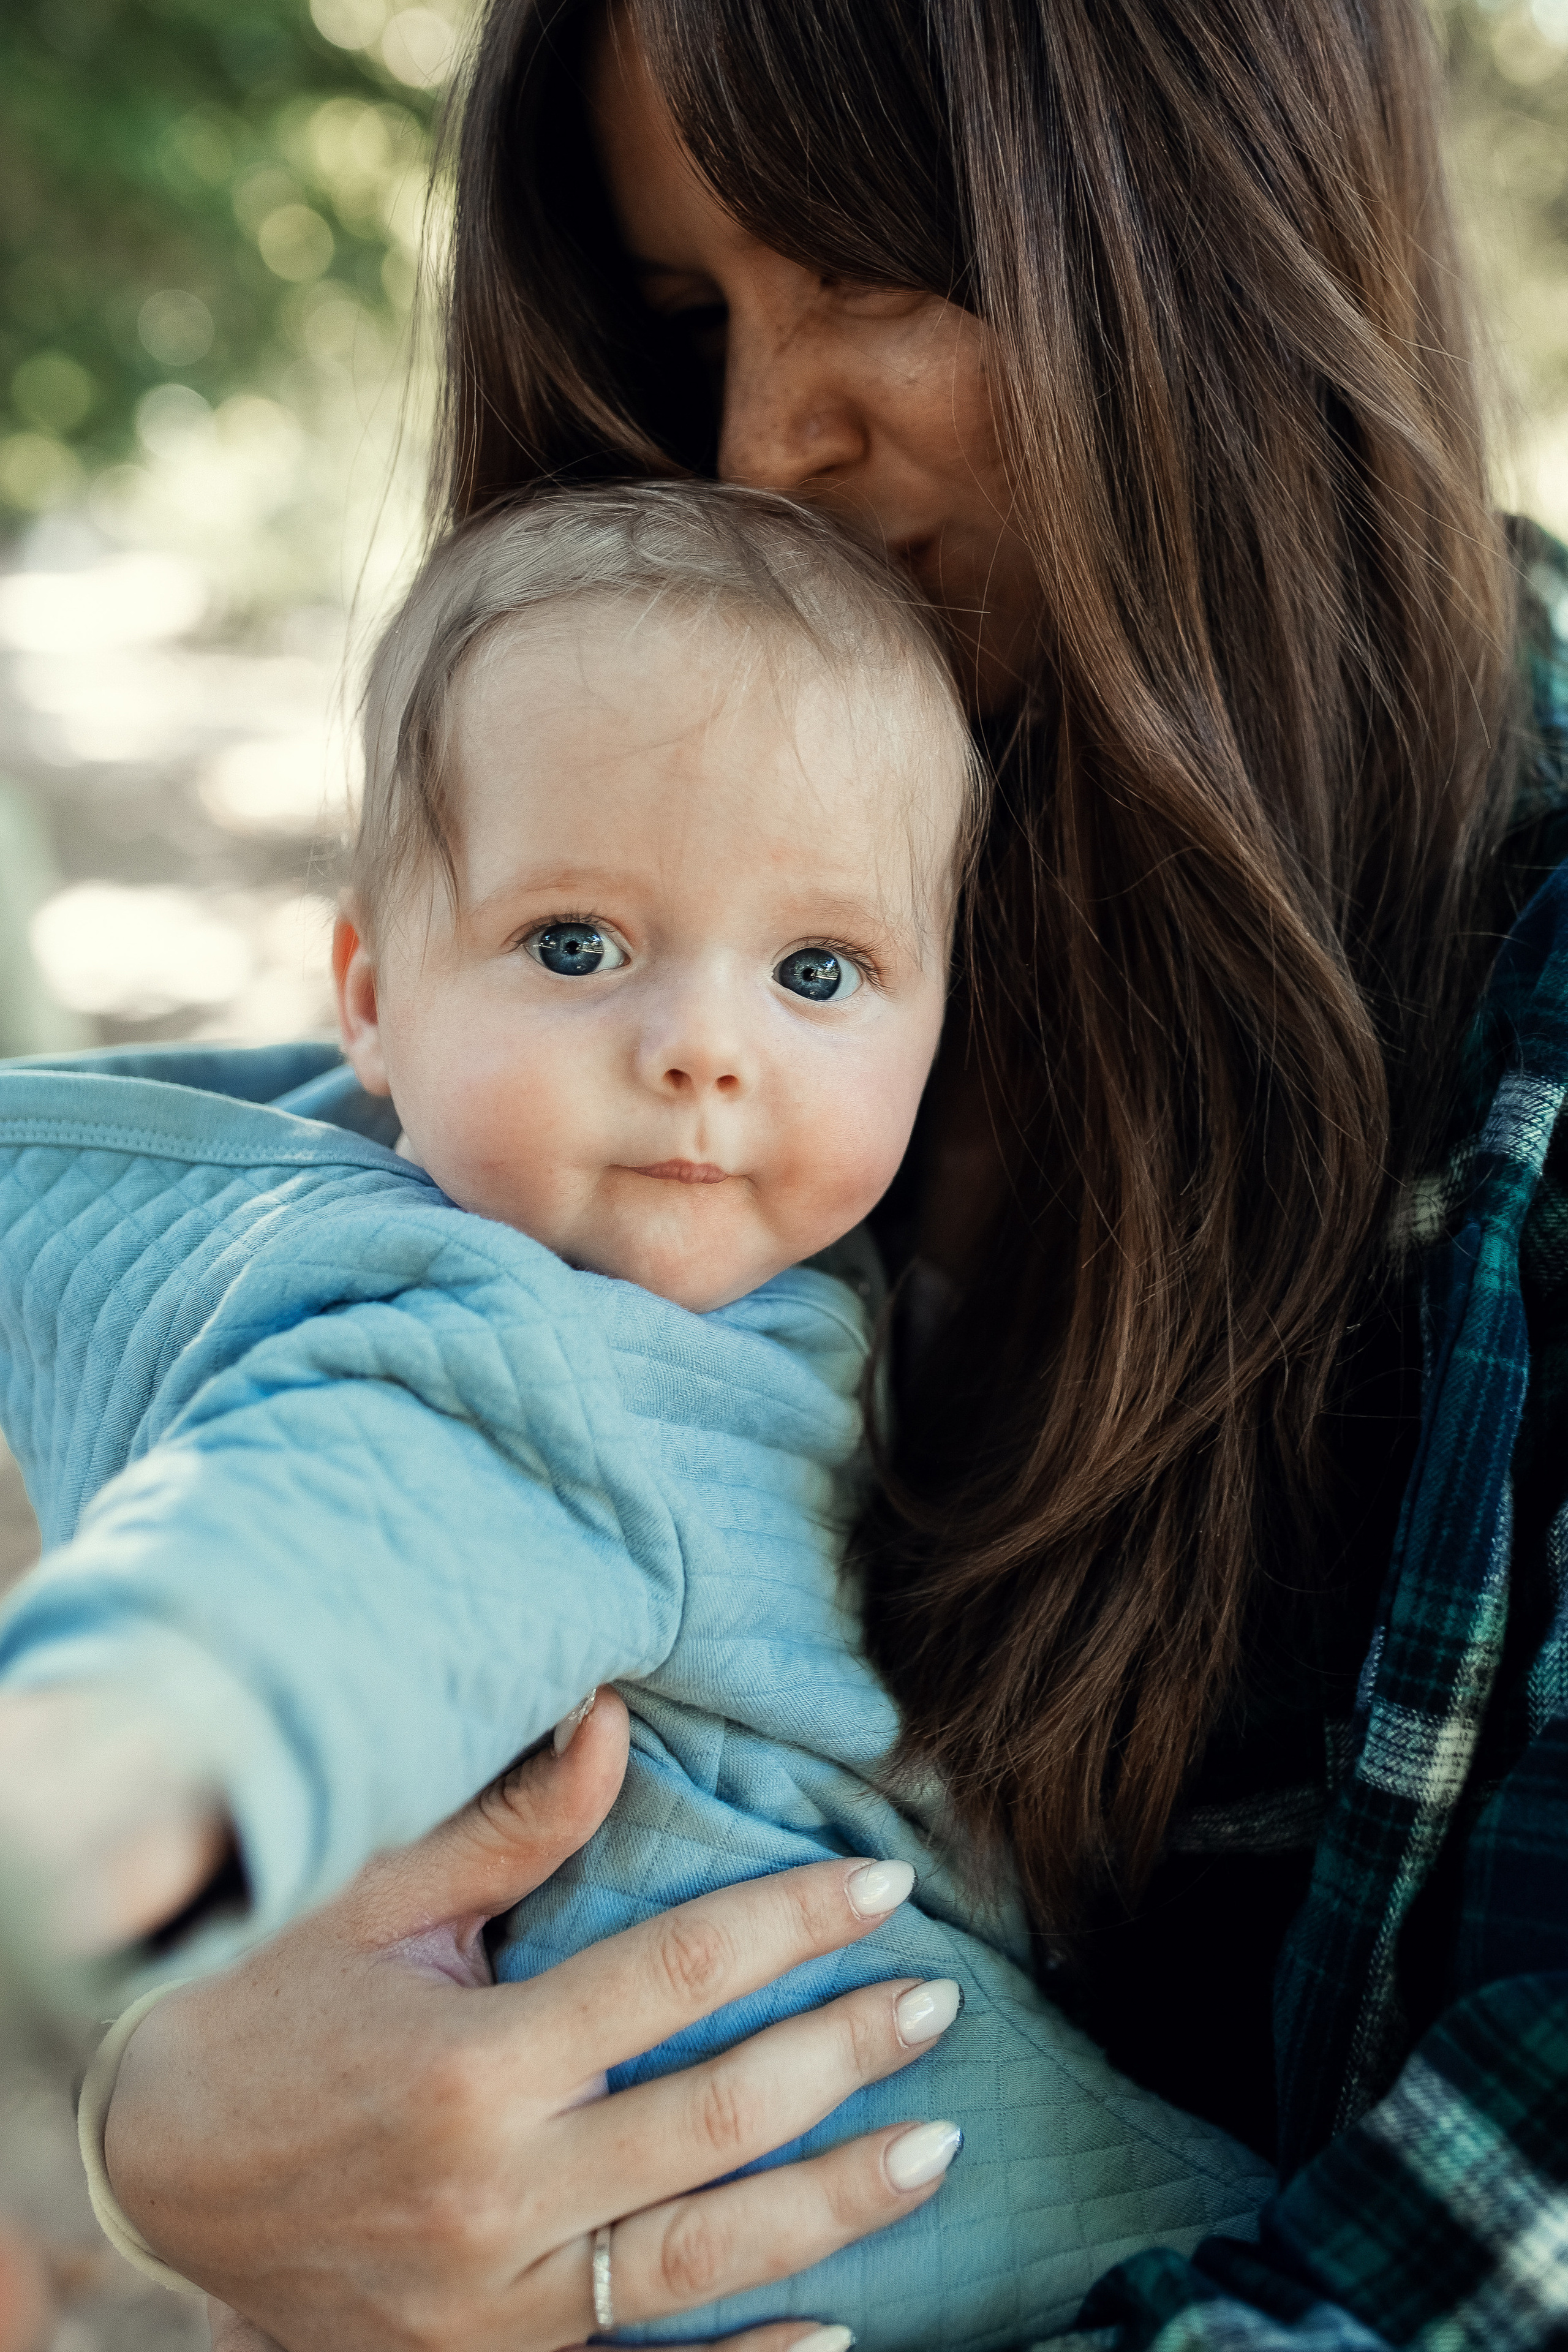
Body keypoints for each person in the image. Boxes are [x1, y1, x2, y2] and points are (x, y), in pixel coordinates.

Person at [53, 0, 1568, 2346]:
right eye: (686, 317)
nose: (764, 442)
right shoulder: (608, 1070)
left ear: (1226, 228)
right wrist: (153, 2128)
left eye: (874, 270)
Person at [0, 482, 1272, 2348]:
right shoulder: (512, 1349)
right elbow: (312, 1558)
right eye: (580, 945)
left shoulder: (793, 1291)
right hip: (876, 2225)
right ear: (370, 993)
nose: (703, 1043)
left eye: (817, 972)